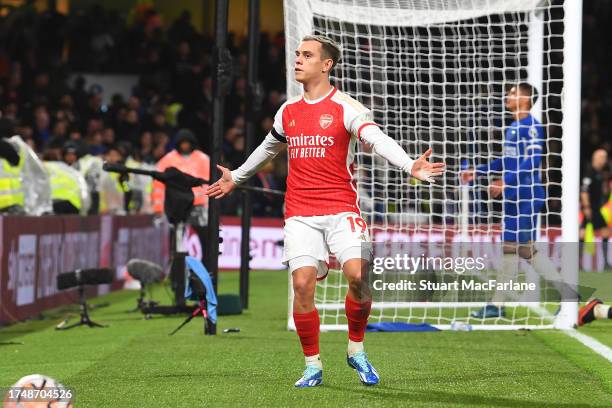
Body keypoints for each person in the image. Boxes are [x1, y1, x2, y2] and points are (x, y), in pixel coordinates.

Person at [206, 35, 445, 387]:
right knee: (302, 285)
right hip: (301, 212)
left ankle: (356, 350)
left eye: (307, 55)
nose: (298, 60)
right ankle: (313, 364)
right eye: (298, 54)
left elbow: (376, 139)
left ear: (326, 64)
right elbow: (268, 147)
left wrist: (410, 165)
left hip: (341, 208)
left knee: (359, 277)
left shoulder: (347, 107)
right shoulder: (288, 111)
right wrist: (237, 177)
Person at [462, 83, 566, 318]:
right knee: (510, 248)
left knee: (524, 249)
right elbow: (504, 161)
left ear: (527, 99)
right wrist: (477, 172)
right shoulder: (513, 127)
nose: (508, 96)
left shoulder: (531, 127)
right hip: (513, 197)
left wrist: (506, 182)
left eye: (513, 93)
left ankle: (567, 295)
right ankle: (496, 305)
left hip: (528, 195)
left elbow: (532, 160)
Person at [152, 129, 209, 225]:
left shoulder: (203, 159)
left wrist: (207, 205)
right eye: (183, 143)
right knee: (176, 236)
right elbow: (158, 185)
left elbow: (209, 183)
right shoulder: (167, 160)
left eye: (187, 143)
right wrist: (158, 209)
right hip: (174, 205)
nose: (185, 146)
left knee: (199, 236)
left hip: (198, 206)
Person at [580, 148, 609, 266]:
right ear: (596, 158)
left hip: (595, 207)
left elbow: (603, 192)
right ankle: (606, 262)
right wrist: (586, 207)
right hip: (590, 208)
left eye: (605, 157)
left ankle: (579, 262)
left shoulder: (599, 174)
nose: (605, 160)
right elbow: (584, 191)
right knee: (603, 231)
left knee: (583, 232)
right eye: (603, 157)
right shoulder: (589, 172)